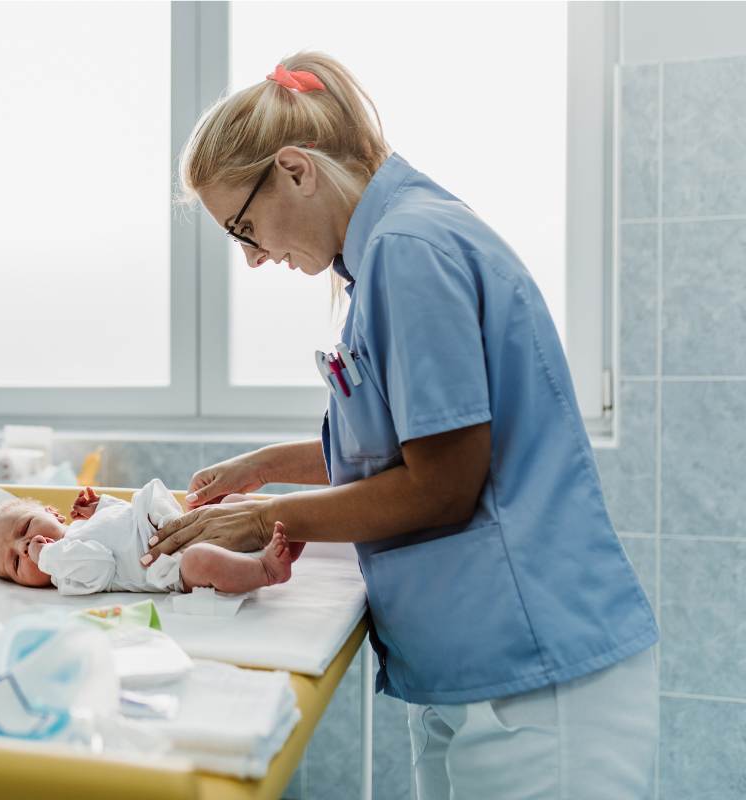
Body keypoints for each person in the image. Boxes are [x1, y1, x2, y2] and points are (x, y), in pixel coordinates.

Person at [143, 53, 659, 798]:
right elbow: (404, 446)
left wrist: (265, 518)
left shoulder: (409, 251)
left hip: (537, 675)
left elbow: (442, 487)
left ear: (295, 170)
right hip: (478, 667)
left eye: (245, 228)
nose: (253, 259)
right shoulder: (386, 252)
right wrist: (265, 467)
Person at [0, 479, 299, 595]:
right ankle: (266, 570)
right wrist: (48, 558)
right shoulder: (66, 576)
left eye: (25, 529)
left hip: (177, 527)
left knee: (230, 504)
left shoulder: (79, 529)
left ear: (53, 513)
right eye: (16, 563)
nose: (25, 547)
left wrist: (101, 505)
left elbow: (125, 517)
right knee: (199, 560)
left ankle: (284, 532)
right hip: (173, 567)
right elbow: (101, 564)